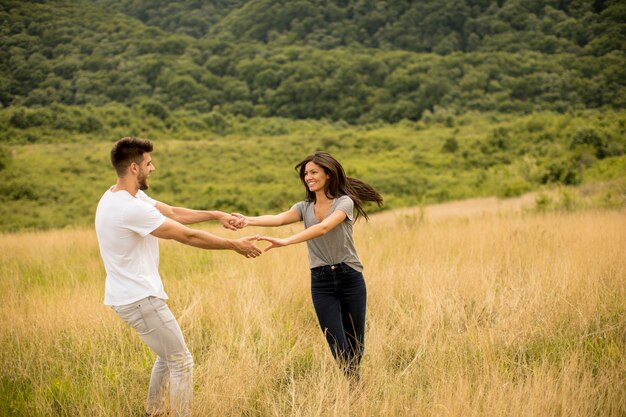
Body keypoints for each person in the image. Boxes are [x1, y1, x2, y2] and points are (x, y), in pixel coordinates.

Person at [95, 137, 261, 417]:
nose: (153, 168)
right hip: (140, 299)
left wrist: (216, 214)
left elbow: (172, 213)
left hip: (131, 297)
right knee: (182, 361)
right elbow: (187, 236)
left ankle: (154, 412)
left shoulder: (120, 195)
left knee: (167, 356)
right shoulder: (129, 208)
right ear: (134, 168)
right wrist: (235, 245)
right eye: (149, 164)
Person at [233, 151, 382, 379]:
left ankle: (354, 383)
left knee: (355, 342)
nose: (308, 177)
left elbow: (323, 228)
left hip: (350, 276)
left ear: (328, 174)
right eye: (305, 174)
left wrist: (286, 241)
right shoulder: (304, 207)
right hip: (321, 280)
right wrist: (247, 220)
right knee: (336, 340)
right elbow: (279, 218)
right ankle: (353, 385)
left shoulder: (344, 202)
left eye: (313, 172)